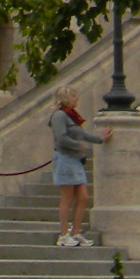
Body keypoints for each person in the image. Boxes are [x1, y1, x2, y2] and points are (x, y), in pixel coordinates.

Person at [49, 87, 110, 246]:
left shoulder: (71, 116)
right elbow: (61, 138)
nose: (77, 99)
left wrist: (100, 138)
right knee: (67, 197)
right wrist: (78, 146)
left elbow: (82, 135)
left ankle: (75, 232)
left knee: (83, 197)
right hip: (65, 159)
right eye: (73, 96)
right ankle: (63, 234)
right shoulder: (59, 116)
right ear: (65, 98)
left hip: (75, 160)